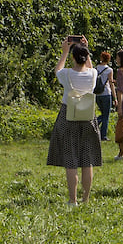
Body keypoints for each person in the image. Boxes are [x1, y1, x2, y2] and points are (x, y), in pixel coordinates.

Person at [47, 37, 102, 205]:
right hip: (88, 117)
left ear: (73, 58)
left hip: (68, 116)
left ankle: (73, 200)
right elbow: (90, 67)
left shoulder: (67, 74)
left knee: (71, 160)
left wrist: (64, 52)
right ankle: (85, 199)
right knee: (87, 160)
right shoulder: (92, 74)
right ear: (86, 57)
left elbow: (57, 70)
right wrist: (85, 47)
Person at [94, 51, 115, 141]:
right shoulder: (109, 70)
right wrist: (115, 97)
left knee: (103, 114)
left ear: (101, 58)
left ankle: (95, 124)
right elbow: (111, 83)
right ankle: (103, 135)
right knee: (106, 115)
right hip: (106, 93)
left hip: (97, 94)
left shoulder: (95, 69)